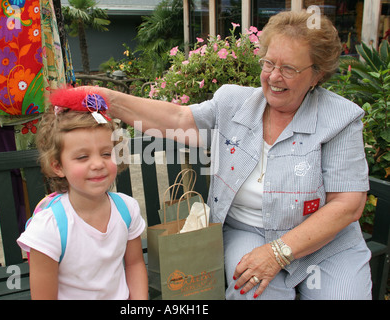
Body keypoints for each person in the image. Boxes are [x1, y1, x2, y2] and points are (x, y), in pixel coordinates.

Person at [89, 10, 372, 300]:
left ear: (317, 74)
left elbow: (347, 205)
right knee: (254, 295)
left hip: (325, 243)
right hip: (250, 232)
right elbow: (177, 119)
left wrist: (278, 253)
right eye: (269, 63)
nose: (274, 76)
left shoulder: (340, 119)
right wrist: (109, 100)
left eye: (289, 69)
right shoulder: (233, 103)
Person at [17, 87, 148, 300]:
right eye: (82, 157)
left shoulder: (127, 209)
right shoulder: (49, 228)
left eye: (106, 153)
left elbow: (134, 264)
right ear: (58, 166)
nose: (98, 164)